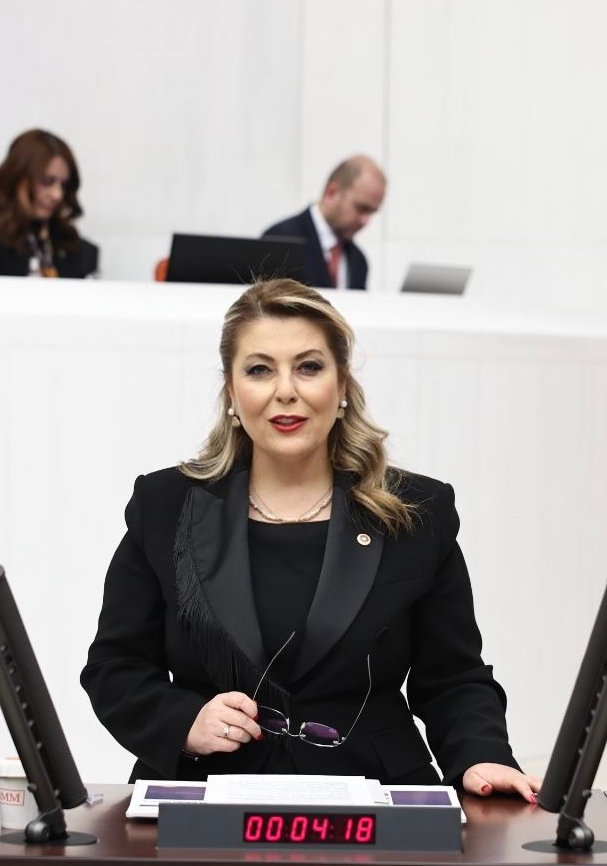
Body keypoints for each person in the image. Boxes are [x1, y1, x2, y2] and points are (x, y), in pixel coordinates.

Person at [81, 279, 540, 800]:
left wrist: (483, 756)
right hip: (204, 796)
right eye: (259, 369)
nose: (285, 391)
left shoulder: (416, 512)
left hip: (376, 798)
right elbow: (115, 667)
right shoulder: (166, 505)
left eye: (309, 367)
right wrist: (184, 721)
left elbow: (453, 677)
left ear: (342, 384)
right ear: (231, 392)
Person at [0, 129, 99, 277]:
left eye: (64, 185)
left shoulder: (77, 249)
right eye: (47, 181)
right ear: (17, 178)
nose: (57, 195)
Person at [262, 155, 385, 290]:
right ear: (331, 193)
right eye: (361, 208)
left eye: (371, 212)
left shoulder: (359, 261)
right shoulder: (279, 240)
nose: (365, 221)